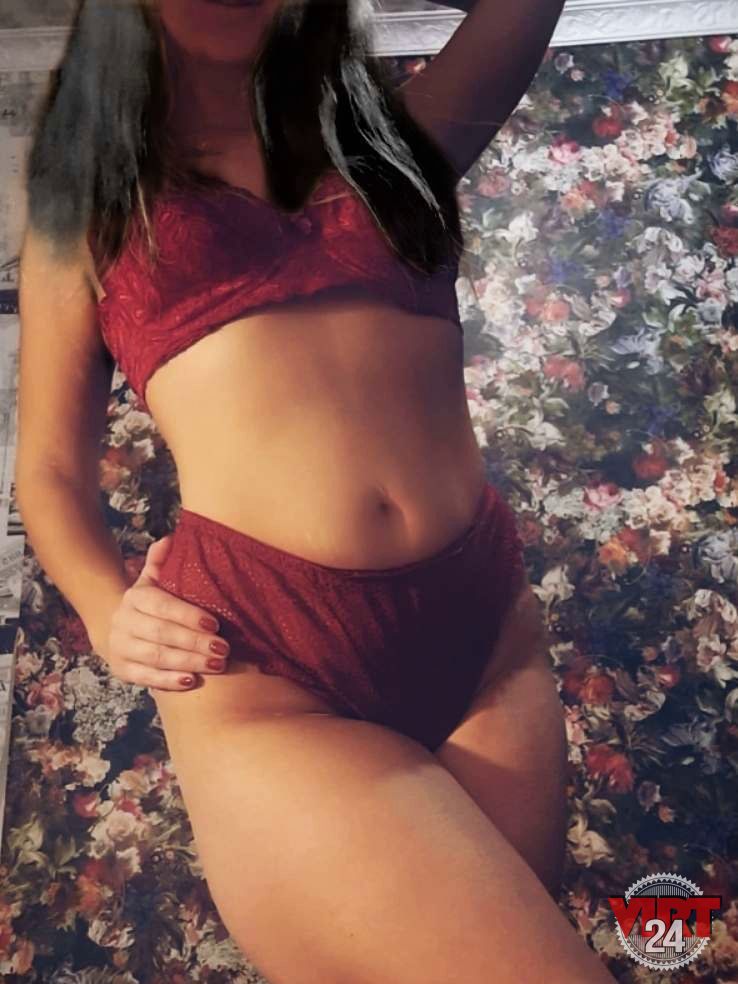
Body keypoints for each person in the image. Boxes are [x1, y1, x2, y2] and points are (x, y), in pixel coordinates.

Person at [15, 0, 618, 981]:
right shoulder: (86, 204)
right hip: (264, 656)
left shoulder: (397, 144)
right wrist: (102, 607)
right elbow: (46, 468)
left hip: (484, 635)